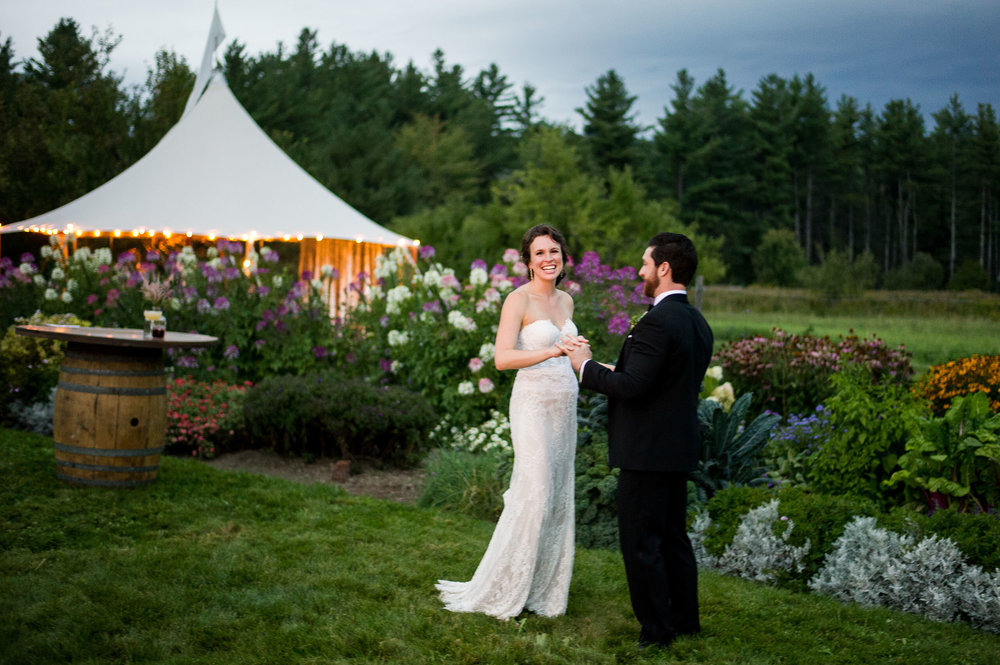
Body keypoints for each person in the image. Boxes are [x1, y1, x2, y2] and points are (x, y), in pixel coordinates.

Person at [561, 232, 714, 648]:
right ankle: (685, 622)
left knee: (642, 543)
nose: (640, 271)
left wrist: (584, 365)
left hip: (646, 453)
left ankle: (656, 632)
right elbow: (661, 380)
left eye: (645, 263)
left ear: (664, 268)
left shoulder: (657, 321)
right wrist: (610, 365)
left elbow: (631, 388)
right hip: (675, 449)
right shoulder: (696, 322)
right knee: (673, 540)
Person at [436, 224, 582, 620]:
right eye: (540, 253)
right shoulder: (517, 301)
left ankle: (543, 590)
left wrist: (610, 368)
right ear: (528, 261)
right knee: (533, 492)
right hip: (533, 403)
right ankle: (504, 587)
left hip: (565, 406)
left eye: (554, 251)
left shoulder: (567, 302)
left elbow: (575, 357)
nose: (549, 258)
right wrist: (552, 350)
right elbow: (502, 359)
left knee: (555, 497)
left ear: (563, 257)